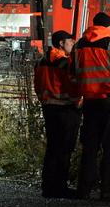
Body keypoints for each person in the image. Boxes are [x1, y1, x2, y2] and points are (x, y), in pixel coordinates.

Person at [73, 11, 110, 199]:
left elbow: (73, 73)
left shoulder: (78, 46)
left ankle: (84, 189)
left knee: (90, 146)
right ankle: (108, 189)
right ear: (108, 27)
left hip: (90, 102)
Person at [34, 30, 82, 198]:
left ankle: (47, 187)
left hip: (49, 108)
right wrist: (78, 101)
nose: (73, 44)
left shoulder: (41, 62)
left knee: (52, 147)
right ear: (61, 43)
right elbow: (73, 84)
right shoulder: (63, 62)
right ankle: (61, 186)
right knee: (65, 149)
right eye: (70, 41)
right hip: (66, 109)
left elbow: (37, 85)